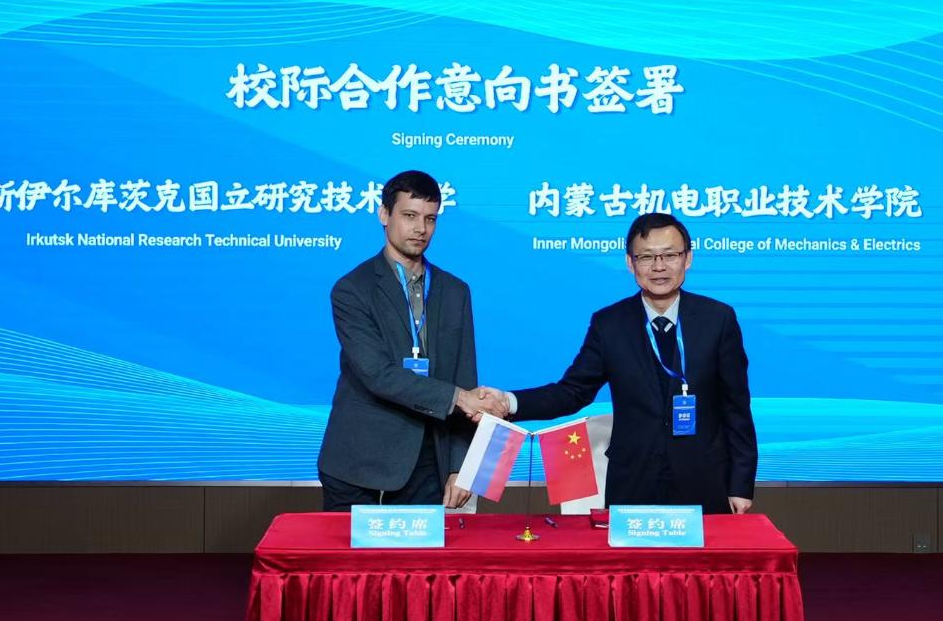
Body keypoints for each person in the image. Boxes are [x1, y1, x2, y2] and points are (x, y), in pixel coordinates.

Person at [482, 213, 757, 514]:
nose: (659, 267)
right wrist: (508, 402)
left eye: (670, 255)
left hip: (704, 480)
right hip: (633, 482)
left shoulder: (718, 320)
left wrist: (740, 485)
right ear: (630, 263)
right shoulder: (609, 324)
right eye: (647, 257)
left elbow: (736, 408)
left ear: (687, 258)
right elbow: (572, 391)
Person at [317, 170, 506, 511]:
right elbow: (378, 375)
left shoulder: (455, 291)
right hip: (358, 464)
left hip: (427, 464)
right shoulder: (352, 290)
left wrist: (459, 466)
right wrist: (459, 397)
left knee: (425, 551)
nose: (421, 228)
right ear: (384, 214)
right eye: (409, 215)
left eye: (430, 219)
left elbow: (465, 378)